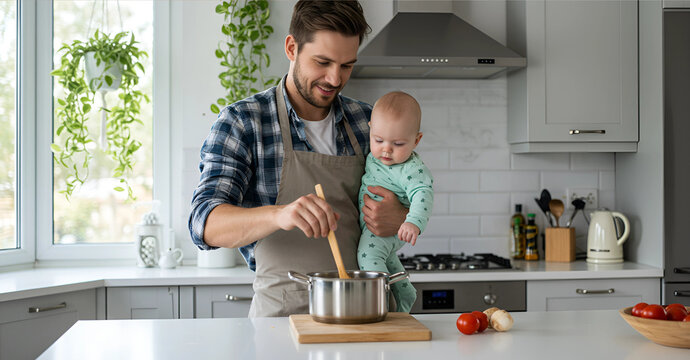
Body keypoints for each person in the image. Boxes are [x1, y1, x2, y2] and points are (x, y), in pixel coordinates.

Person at [188, 0, 408, 317]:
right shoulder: (244, 122)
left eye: (347, 65)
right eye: (322, 62)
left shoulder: (368, 123)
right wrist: (280, 216)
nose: (335, 78)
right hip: (281, 322)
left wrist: (399, 215)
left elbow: (410, 202)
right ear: (292, 47)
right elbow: (204, 224)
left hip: (367, 313)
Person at [357, 91, 433, 313]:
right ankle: (405, 291)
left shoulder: (410, 168)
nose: (386, 149)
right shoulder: (377, 154)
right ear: (371, 130)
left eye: (398, 144)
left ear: (416, 140)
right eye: (378, 140)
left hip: (383, 230)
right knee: (389, 262)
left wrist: (412, 222)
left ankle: (377, 306)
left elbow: (423, 193)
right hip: (371, 226)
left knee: (367, 256)